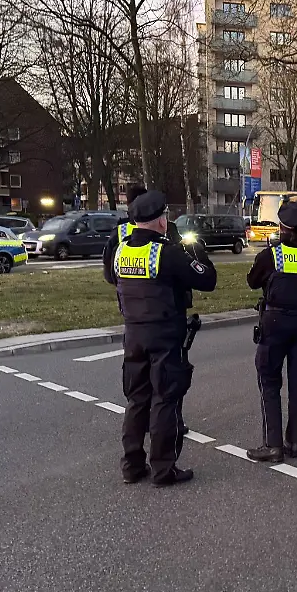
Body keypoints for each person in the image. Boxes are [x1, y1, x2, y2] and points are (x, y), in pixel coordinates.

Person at [112, 190, 217, 487]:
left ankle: (132, 465)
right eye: (165, 216)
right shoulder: (167, 253)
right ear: (160, 221)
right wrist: (197, 251)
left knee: (136, 400)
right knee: (164, 399)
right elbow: (207, 280)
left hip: (132, 334)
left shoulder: (122, 250)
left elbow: (114, 279)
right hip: (164, 334)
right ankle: (162, 468)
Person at [246, 203, 297, 463]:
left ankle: (273, 445)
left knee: (269, 382)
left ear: (284, 228)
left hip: (276, 322)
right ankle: (294, 443)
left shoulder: (272, 255)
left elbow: (253, 281)